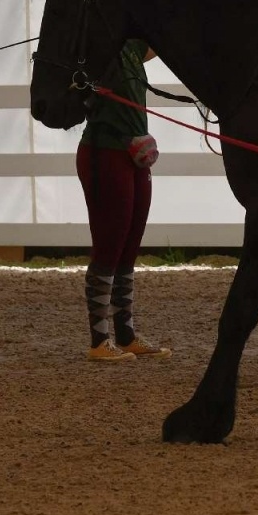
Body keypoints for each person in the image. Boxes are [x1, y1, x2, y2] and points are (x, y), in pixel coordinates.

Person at [78, 39, 171, 362]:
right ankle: (99, 340)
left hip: (133, 153)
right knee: (110, 243)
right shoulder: (97, 49)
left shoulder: (132, 49)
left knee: (129, 246)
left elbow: (160, 38)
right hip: (104, 150)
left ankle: (126, 334)